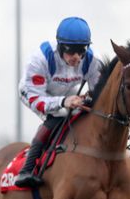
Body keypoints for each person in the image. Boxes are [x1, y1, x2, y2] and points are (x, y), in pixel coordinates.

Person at [15, 17, 104, 188]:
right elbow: (38, 100)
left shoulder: (93, 60)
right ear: (60, 46)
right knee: (57, 117)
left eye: (81, 51)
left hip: (66, 91)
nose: (76, 58)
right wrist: (63, 102)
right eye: (71, 51)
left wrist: (89, 99)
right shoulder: (39, 60)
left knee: (85, 113)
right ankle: (27, 169)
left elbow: (98, 94)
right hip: (35, 93)